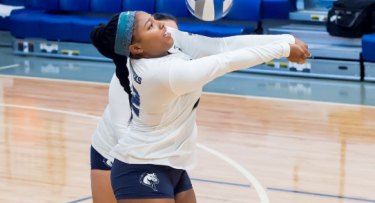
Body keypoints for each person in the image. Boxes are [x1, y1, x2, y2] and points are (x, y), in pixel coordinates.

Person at [90, 10, 309, 203]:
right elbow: (224, 61)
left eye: (154, 20)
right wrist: (282, 49)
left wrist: (286, 39)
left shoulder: (163, 41)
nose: (161, 25)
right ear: (136, 47)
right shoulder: (161, 74)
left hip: (172, 162)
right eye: (151, 26)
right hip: (140, 166)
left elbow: (219, 45)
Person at [90, 13, 181, 203]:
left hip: (160, 154)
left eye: (175, 32)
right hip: (114, 152)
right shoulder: (127, 75)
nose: (169, 34)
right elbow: (119, 128)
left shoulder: (179, 66)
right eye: (160, 28)